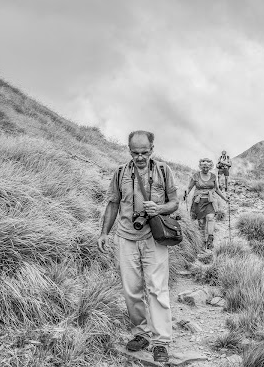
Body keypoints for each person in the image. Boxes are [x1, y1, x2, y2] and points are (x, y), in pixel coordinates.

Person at [97, 130, 179, 363]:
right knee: (131, 290)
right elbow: (113, 204)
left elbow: (174, 203)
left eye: (144, 152)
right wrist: (104, 233)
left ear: (152, 149)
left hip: (154, 237)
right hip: (126, 237)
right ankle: (141, 333)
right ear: (129, 150)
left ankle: (161, 341)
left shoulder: (164, 171)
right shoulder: (120, 173)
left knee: (157, 288)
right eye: (135, 153)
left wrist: (160, 209)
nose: (140, 157)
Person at [185, 158, 229, 249]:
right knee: (201, 223)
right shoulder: (196, 176)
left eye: (207, 167)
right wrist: (185, 194)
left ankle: (210, 240)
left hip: (210, 200)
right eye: (203, 167)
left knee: (210, 218)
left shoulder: (213, 176)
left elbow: (216, 189)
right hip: (198, 201)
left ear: (210, 167)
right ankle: (202, 241)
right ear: (200, 166)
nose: (205, 169)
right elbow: (189, 188)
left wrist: (225, 198)